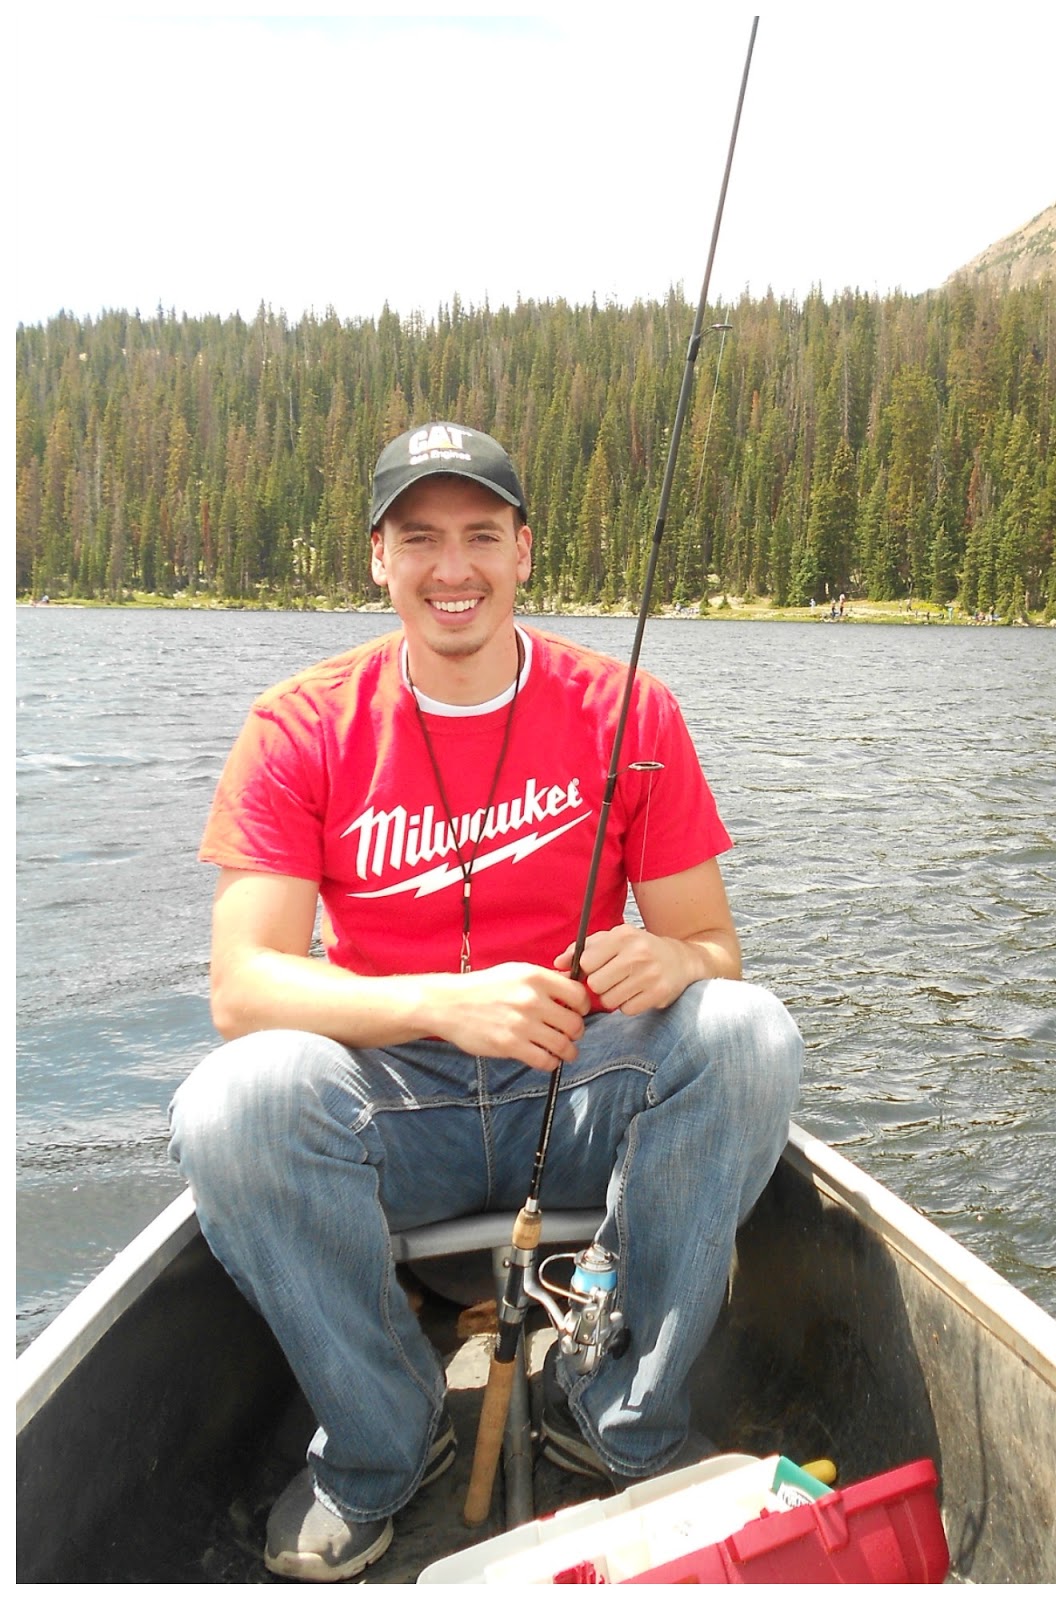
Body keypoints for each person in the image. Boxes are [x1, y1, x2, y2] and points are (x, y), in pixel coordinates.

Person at [167, 421, 804, 1582]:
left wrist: (675, 964)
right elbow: (243, 985)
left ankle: (614, 1410)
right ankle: (381, 1442)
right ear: (378, 557)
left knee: (747, 1033)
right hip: (392, 1107)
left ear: (523, 550)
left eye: (479, 535)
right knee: (236, 1101)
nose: (451, 567)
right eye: (419, 538)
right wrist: (448, 1004)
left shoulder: (630, 711)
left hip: (576, 1090)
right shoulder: (300, 724)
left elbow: (716, 948)